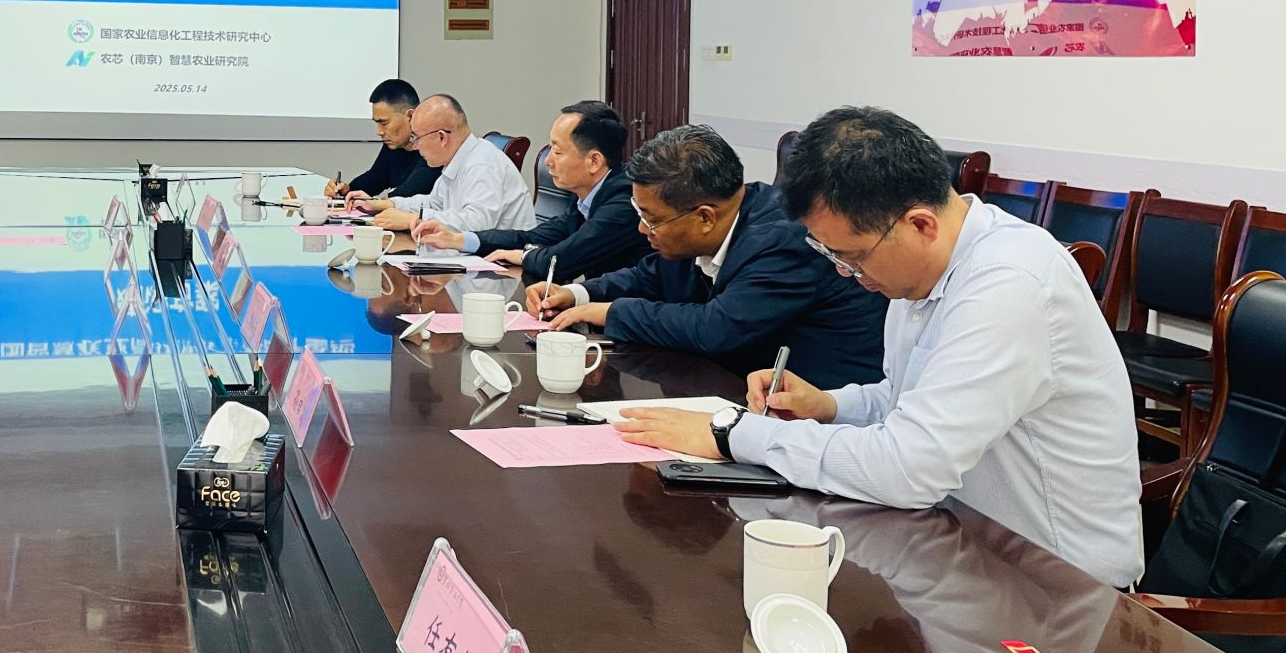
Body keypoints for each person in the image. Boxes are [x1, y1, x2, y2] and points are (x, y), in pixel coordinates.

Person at [616, 107, 1143, 587]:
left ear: (920, 224)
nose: (849, 275)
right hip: (959, 545)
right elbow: (903, 399)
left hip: (1058, 587)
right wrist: (827, 404)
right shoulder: (921, 269)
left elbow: (908, 469)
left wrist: (733, 433)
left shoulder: (1007, 284)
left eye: (853, 257)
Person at [525, 124, 886, 388]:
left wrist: (608, 312)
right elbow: (651, 275)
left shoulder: (783, 239)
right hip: (733, 384)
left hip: (822, 412)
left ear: (704, 218)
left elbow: (714, 328)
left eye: (651, 219)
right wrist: (576, 294)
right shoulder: (702, 223)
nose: (642, 230)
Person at [413, 101, 645, 285]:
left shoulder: (624, 201)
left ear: (594, 161)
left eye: (557, 152)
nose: (549, 161)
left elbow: (562, 260)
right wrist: (459, 239)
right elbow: (531, 237)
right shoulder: (586, 198)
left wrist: (524, 256)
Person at [352, 94, 534, 233]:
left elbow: (478, 223)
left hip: (502, 265)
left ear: (441, 137)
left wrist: (412, 220)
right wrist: (384, 204)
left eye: (416, 138)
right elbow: (433, 203)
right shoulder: (458, 159)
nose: (415, 146)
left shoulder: (482, 164)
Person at [325, 79, 438, 201]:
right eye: (377, 123)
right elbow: (374, 179)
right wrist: (345, 191)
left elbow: (408, 193)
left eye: (384, 123)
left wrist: (374, 203)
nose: (379, 132)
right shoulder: (395, 145)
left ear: (410, 116)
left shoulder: (433, 148)